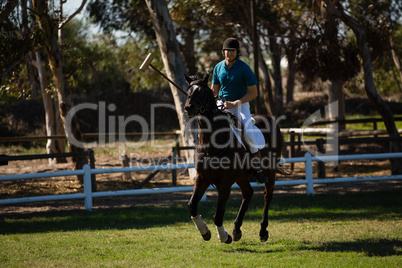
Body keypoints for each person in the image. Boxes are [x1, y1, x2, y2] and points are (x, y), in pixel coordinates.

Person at [211, 37, 267, 184]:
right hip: (221, 105)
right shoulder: (218, 67)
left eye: (232, 50)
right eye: (227, 50)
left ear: (237, 52)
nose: (229, 53)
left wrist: (235, 103)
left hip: (240, 106)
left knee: (248, 132)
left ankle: (258, 169)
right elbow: (214, 92)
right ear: (223, 52)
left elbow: (253, 93)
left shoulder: (244, 69)